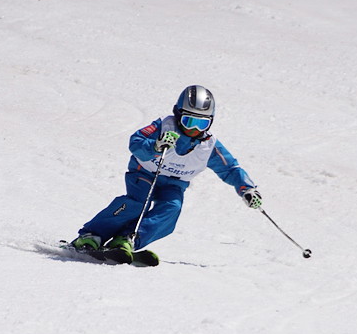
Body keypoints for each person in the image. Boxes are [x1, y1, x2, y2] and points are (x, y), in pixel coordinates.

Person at [70, 85, 261, 258]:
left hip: (174, 183)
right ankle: (92, 235)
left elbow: (230, 168)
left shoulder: (209, 146)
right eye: (189, 121)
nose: (194, 129)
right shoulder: (163, 127)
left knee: (171, 210)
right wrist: (156, 145)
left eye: (201, 124)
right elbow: (135, 142)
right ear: (178, 115)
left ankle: (127, 239)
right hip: (144, 173)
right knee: (138, 203)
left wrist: (247, 189)